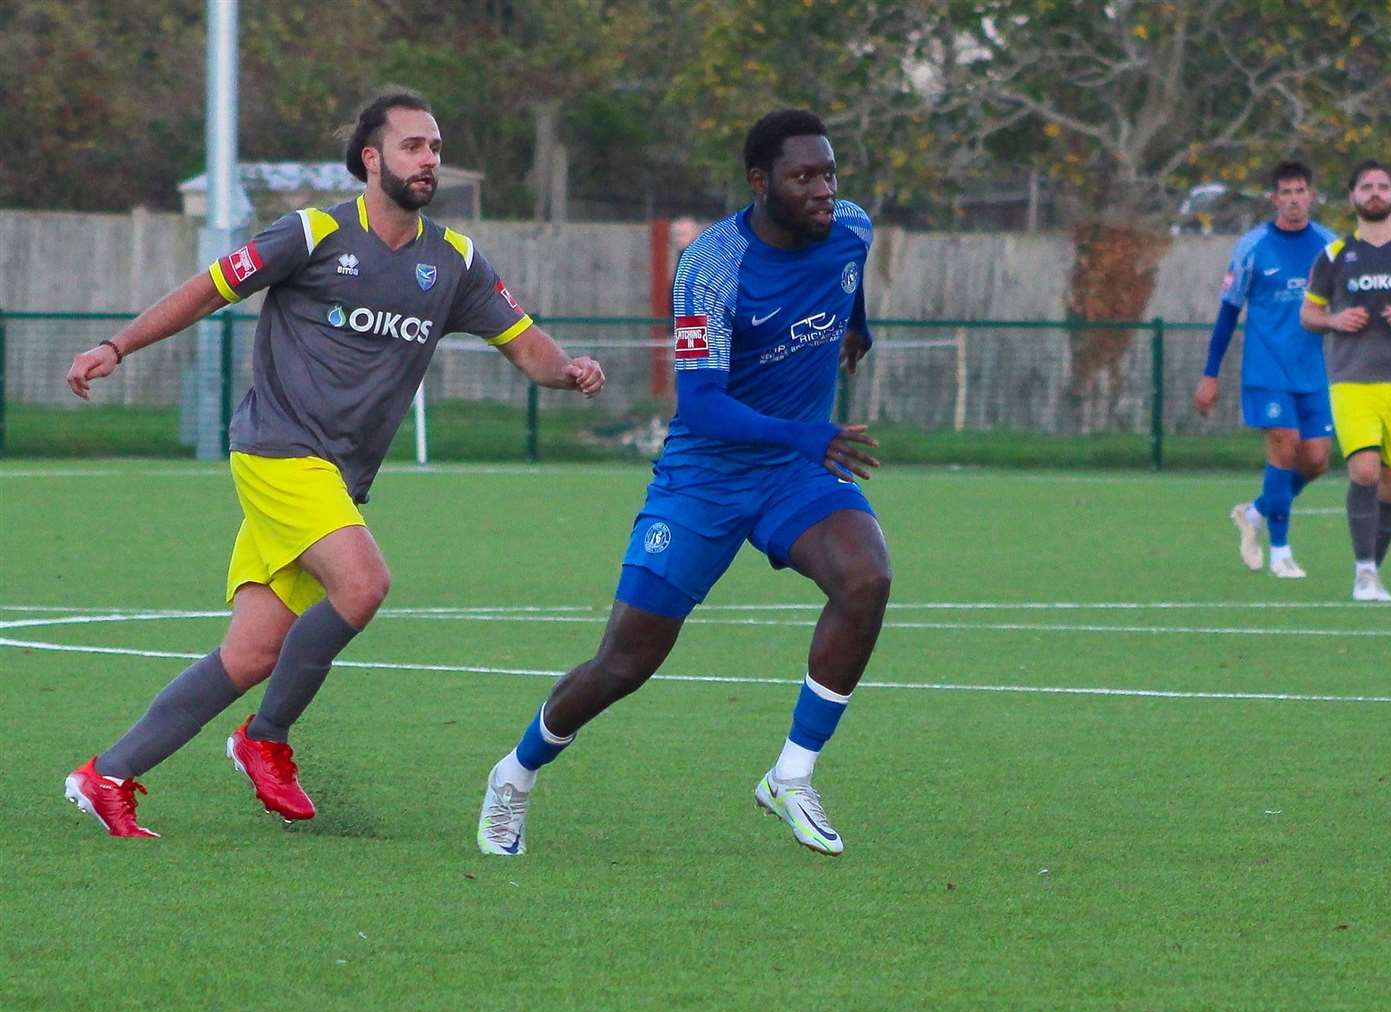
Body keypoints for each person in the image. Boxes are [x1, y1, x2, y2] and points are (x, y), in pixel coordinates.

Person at [61, 89, 606, 837]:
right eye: (414, 146)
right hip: (279, 451)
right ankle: (264, 740)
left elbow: (523, 341)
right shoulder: (312, 233)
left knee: (250, 654)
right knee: (364, 583)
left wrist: (567, 369)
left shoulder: (453, 261)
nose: (429, 160)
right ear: (372, 158)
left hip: (336, 478)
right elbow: (206, 290)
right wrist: (116, 346)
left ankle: (107, 774)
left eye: (436, 147)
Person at [476, 108, 886, 858]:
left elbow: (848, 280)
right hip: (703, 479)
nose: (825, 190)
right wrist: (808, 432)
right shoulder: (710, 266)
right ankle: (515, 774)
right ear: (760, 184)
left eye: (830, 173)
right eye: (805, 177)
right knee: (626, 663)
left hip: (793, 473)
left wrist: (859, 327)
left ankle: (792, 774)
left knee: (866, 579)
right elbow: (700, 401)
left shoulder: (851, 226)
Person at [1300, 160, 1391, 601]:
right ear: (1353, 198)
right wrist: (1333, 319)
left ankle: (1371, 571)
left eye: (1383, 186)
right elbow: (1308, 313)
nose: (1375, 192)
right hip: (1352, 380)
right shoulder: (1333, 256)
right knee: (1364, 469)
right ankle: (1364, 572)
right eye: (1366, 186)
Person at [1194, 161, 1338, 578]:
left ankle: (1254, 512)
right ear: (1274, 199)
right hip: (1266, 369)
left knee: (1315, 461)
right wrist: (1209, 374)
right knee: (1285, 446)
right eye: (1286, 192)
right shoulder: (1252, 246)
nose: (1294, 199)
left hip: (1311, 372)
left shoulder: (1329, 247)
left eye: (1301, 191)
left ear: (1311, 196)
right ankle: (1281, 553)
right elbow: (1228, 313)